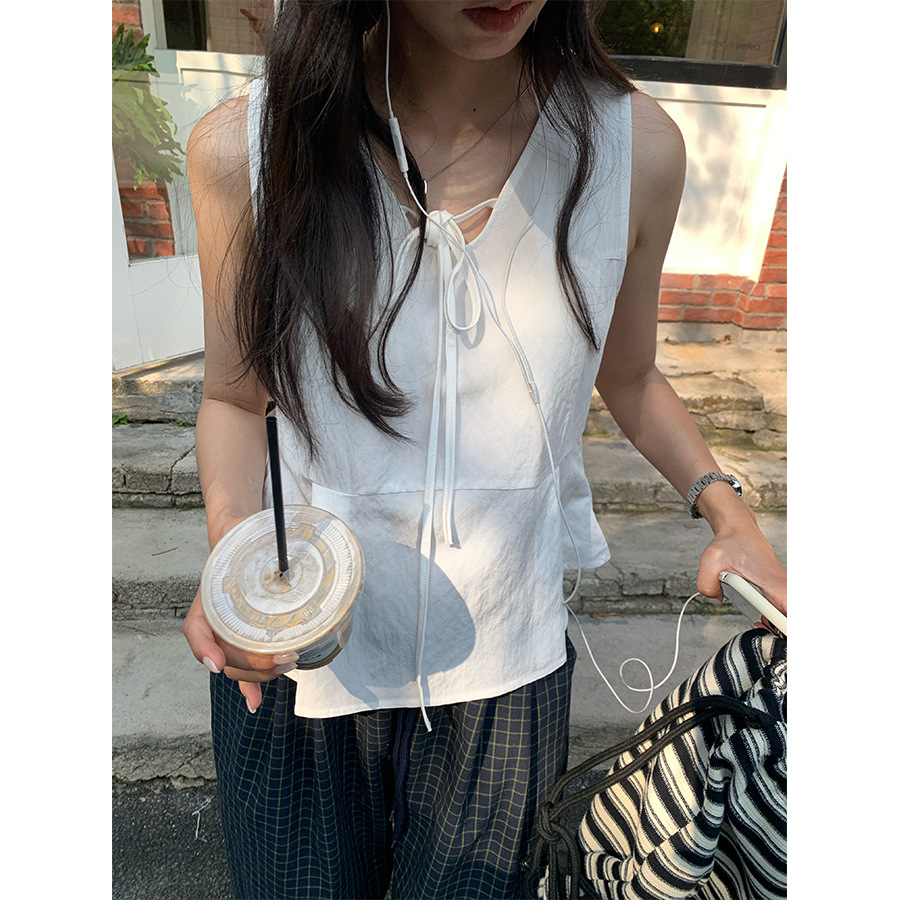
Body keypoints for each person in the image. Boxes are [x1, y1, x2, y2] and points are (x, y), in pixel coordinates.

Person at [182, 2, 788, 898]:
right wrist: (238, 565)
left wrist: (730, 513)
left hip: (506, 668)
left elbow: (630, 376)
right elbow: (235, 398)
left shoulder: (635, 153)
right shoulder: (249, 149)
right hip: (305, 655)